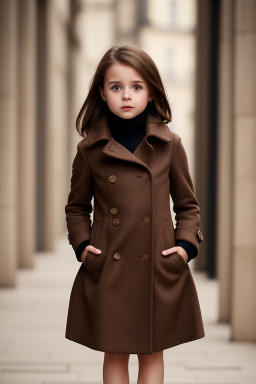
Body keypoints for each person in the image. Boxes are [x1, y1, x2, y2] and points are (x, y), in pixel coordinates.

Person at [65, 45, 205, 384]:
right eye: (116, 87)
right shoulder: (90, 149)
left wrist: (184, 247)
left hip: (156, 266)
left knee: (152, 351)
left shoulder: (169, 144)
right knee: (114, 351)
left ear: (152, 92)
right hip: (109, 265)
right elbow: (77, 206)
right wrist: (83, 246)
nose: (126, 95)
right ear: (102, 92)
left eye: (136, 86)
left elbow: (188, 206)